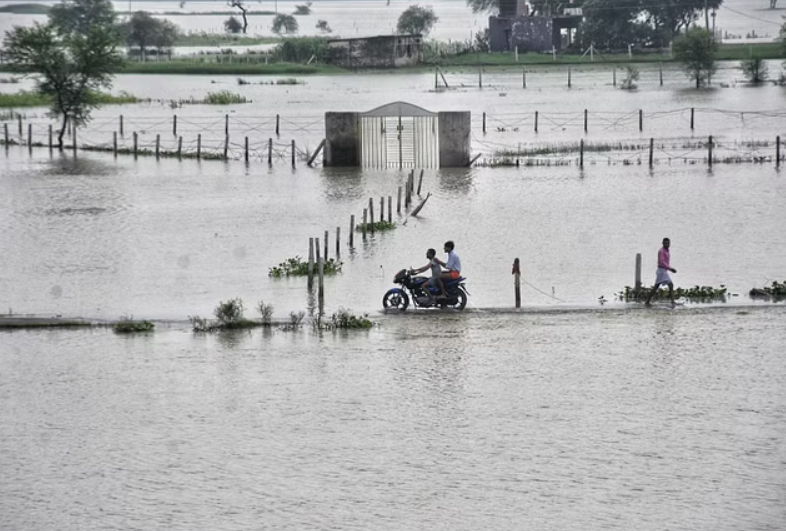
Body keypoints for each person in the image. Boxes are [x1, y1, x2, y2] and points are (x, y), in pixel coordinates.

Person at [645, 237, 677, 307]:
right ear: (662, 243)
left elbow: (666, 262)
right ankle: (673, 302)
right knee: (670, 285)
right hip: (661, 271)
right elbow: (662, 262)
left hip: (663, 270)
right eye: (665, 243)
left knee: (656, 287)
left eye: (668, 243)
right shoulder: (661, 251)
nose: (667, 244)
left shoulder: (667, 250)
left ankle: (647, 301)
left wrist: (669, 269)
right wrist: (671, 269)